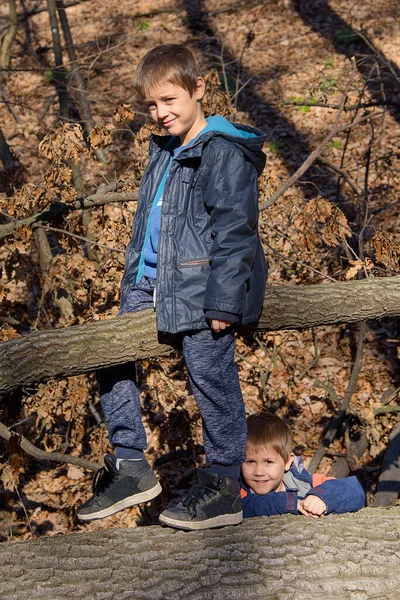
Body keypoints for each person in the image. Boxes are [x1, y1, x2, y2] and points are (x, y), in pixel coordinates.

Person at [77, 44, 268, 530]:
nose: (161, 114)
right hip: (150, 284)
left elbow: (236, 231)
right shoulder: (162, 150)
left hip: (202, 290)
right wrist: (135, 278)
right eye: (151, 105)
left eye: (169, 101)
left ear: (198, 89)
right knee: (107, 353)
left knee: (211, 378)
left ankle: (225, 484)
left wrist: (225, 299)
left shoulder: (223, 152)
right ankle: (131, 463)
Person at [241, 413, 365, 518]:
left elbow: (354, 490)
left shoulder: (303, 482)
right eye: (250, 462)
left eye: (268, 462)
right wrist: (290, 503)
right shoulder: (236, 491)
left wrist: (321, 497)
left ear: (287, 462)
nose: (259, 472)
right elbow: (246, 507)